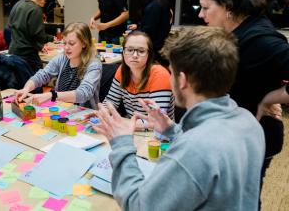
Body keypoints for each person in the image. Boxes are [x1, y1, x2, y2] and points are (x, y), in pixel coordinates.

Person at [93, 26, 265, 210]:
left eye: (172, 71)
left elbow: (140, 206)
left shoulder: (194, 149)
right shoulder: (249, 121)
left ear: (181, 80)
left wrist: (122, 145)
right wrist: (173, 131)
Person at [198, 0, 289, 203]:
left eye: (205, 7)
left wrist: (268, 98)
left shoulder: (260, 39)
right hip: (235, 134)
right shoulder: (238, 29)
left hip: (253, 137)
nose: (201, 15)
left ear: (228, 7)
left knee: (242, 201)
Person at [15, 22, 102, 109]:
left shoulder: (94, 64)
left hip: (85, 114)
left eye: (71, 43)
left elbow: (83, 93)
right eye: (65, 43)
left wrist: (52, 95)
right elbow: (43, 75)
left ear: (84, 43)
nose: (66, 47)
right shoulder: (62, 58)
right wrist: (26, 89)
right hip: (61, 109)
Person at [104, 31, 174, 122]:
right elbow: (111, 101)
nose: (135, 55)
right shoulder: (122, 70)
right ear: (123, 52)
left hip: (159, 133)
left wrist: (121, 122)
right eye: (129, 50)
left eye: (141, 51)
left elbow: (156, 119)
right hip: (133, 127)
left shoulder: (160, 75)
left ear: (149, 55)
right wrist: (103, 113)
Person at [8, 0, 54, 72]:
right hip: (27, 56)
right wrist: (52, 38)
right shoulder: (35, 9)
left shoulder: (18, 4)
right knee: (38, 80)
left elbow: (12, 27)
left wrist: (39, 46)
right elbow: (38, 35)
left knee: (20, 82)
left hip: (13, 52)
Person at [127, 0, 174, 66]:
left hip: (153, 50)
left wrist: (131, 34)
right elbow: (156, 24)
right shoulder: (163, 3)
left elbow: (147, 31)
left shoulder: (153, 6)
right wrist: (138, 26)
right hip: (161, 46)